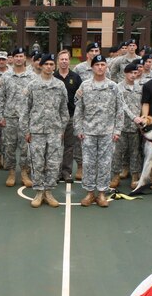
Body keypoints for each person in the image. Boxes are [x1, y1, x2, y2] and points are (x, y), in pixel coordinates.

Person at [21, 54, 69, 208]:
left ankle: (48, 192)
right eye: (46, 64)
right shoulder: (32, 85)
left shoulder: (60, 85)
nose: (49, 66)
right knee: (37, 162)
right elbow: (25, 110)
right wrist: (27, 131)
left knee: (54, 163)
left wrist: (61, 128)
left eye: (51, 64)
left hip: (55, 131)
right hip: (37, 131)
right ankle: (39, 192)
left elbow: (64, 110)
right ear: (40, 66)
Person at [74, 54, 122, 207]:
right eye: (97, 65)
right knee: (88, 163)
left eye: (103, 65)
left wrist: (117, 130)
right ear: (92, 67)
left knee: (105, 163)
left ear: (106, 67)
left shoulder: (113, 86)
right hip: (88, 131)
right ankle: (89, 193)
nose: (100, 67)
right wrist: (78, 128)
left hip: (107, 132)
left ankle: (101, 193)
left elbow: (119, 110)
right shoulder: (85, 86)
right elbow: (79, 109)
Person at [0, 47, 35, 187]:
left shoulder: (32, 77)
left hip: (25, 119)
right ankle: (11, 172)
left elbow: (35, 100)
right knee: (9, 147)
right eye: (16, 56)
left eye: (21, 56)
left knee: (25, 147)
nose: (18, 58)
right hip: (9, 118)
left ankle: (24, 172)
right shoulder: (5, 76)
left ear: (25, 58)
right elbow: (0, 98)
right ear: (13, 58)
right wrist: (0, 117)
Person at [112, 63, 143, 190]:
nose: (133, 75)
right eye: (131, 73)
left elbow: (143, 104)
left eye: (135, 73)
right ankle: (115, 176)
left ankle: (135, 176)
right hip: (121, 125)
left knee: (135, 152)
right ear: (125, 73)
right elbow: (122, 105)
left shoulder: (140, 88)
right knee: (118, 152)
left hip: (136, 127)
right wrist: (134, 117)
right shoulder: (118, 87)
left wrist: (141, 119)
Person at [55, 49, 83, 182]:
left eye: (66, 59)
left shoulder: (76, 78)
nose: (64, 61)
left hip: (71, 117)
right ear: (58, 61)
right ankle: (55, 171)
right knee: (55, 146)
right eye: (62, 59)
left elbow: (81, 97)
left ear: (69, 60)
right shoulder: (53, 77)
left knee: (69, 146)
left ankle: (66, 172)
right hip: (55, 119)